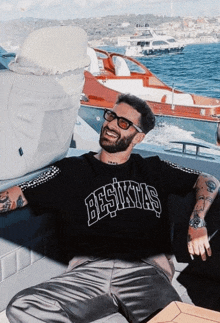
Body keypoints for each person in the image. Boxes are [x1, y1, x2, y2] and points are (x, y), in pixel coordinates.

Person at [1, 93, 219, 323]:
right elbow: (16, 194)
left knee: (175, 320)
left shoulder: (153, 168)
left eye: (123, 123)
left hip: (144, 270)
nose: (111, 125)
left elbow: (207, 180)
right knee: (23, 306)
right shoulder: (70, 170)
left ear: (138, 138)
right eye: (111, 116)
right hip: (87, 273)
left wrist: (197, 222)